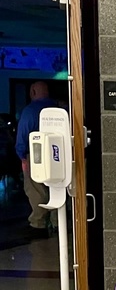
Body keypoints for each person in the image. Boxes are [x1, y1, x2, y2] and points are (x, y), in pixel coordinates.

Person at [14, 81, 61, 237]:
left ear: (33, 92)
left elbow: (22, 136)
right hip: (59, 153)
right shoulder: (61, 108)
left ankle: (38, 224)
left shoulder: (29, 111)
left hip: (35, 155)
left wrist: (22, 157)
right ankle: (57, 223)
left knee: (36, 190)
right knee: (57, 189)